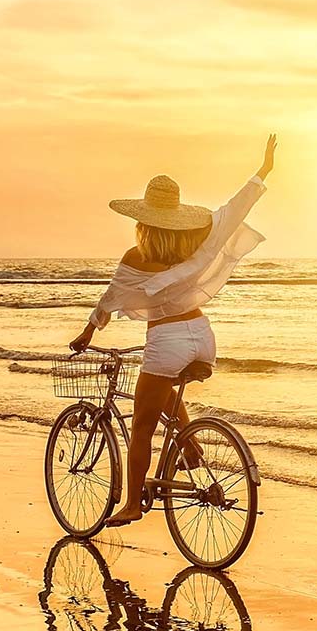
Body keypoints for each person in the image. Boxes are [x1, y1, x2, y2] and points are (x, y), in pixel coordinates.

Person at [69, 133, 277, 527]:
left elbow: (110, 299)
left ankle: (132, 505)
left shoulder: (138, 256)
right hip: (202, 335)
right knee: (162, 394)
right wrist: (263, 170)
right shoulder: (198, 242)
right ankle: (192, 446)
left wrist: (88, 333)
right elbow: (234, 209)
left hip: (167, 340)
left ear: (142, 222)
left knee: (143, 426)